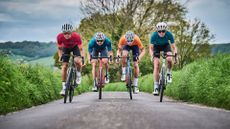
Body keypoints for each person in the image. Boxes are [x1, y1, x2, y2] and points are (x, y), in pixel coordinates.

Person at [149, 22, 178, 96]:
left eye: (163, 31)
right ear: (157, 31)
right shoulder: (154, 35)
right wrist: (152, 55)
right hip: (156, 47)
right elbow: (151, 48)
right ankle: (156, 87)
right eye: (159, 31)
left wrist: (175, 55)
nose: (161, 33)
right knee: (156, 65)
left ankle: (168, 72)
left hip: (166, 46)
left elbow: (174, 47)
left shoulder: (169, 34)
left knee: (169, 59)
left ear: (166, 30)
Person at [57, 23, 85, 96]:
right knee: (64, 66)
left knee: (77, 61)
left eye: (68, 33)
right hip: (65, 48)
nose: (67, 35)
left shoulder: (76, 36)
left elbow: (81, 49)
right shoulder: (59, 37)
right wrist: (60, 56)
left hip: (75, 48)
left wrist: (82, 58)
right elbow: (59, 48)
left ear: (71, 32)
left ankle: (78, 74)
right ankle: (64, 88)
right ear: (63, 33)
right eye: (65, 33)